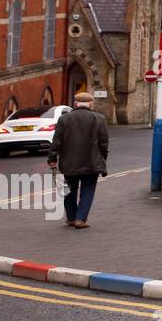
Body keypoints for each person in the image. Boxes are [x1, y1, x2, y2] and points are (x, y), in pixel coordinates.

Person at [48, 92, 109, 230]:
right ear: (91, 104)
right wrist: (102, 158)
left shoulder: (64, 119)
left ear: (75, 103)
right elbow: (104, 143)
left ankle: (71, 218)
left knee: (68, 191)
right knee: (87, 190)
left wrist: (52, 159)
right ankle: (80, 219)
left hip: (69, 163)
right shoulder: (99, 119)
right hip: (91, 162)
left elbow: (56, 142)